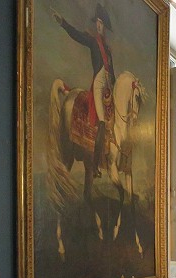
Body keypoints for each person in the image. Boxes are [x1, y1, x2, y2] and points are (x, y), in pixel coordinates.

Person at [53, 3, 115, 178]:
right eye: (97, 22)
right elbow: (77, 36)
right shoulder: (93, 42)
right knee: (102, 121)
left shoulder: (108, 50)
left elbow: (113, 74)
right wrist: (64, 24)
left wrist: (114, 85)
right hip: (98, 85)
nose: (98, 25)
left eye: (101, 23)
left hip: (107, 87)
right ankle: (95, 166)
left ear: (105, 27)